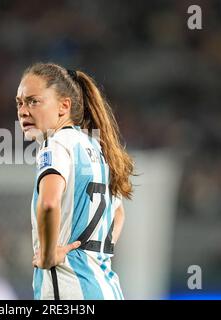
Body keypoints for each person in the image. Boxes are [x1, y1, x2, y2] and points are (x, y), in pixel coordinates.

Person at [16, 62, 134, 300]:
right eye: (19, 102)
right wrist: (93, 252)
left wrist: (49, 255)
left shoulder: (57, 143)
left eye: (33, 101)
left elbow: (49, 203)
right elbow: (118, 214)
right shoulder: (98, 147)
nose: (23, 111)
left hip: (72, 291)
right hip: (106, 287)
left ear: (64, 106)